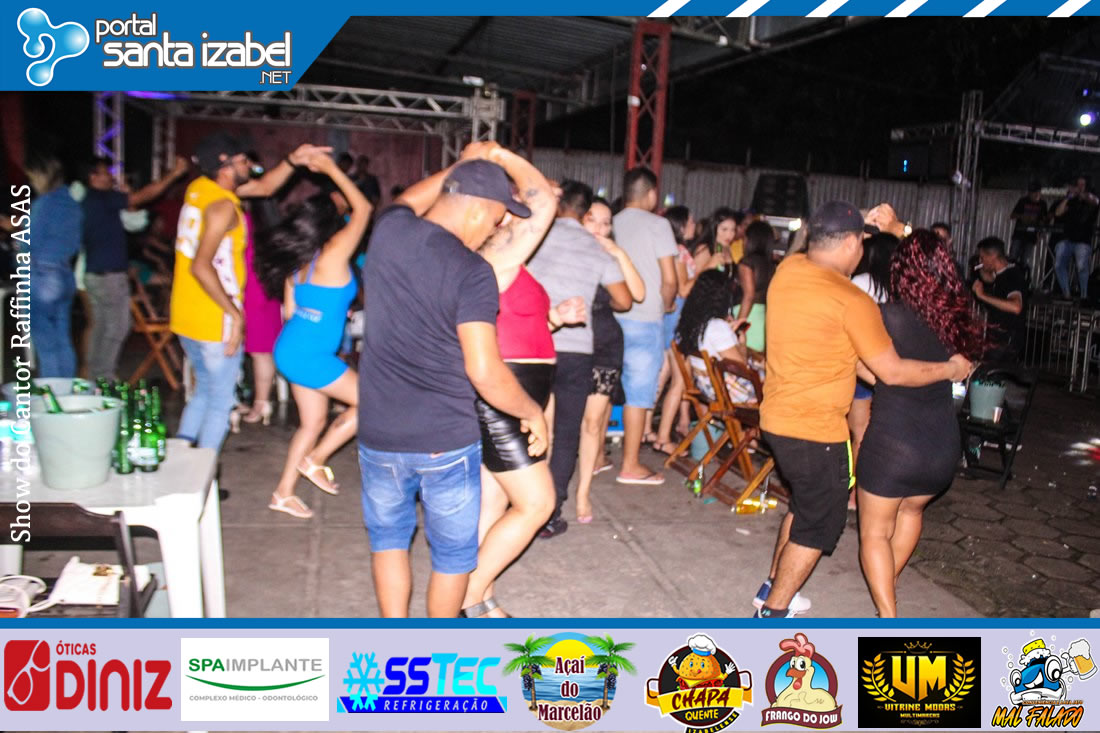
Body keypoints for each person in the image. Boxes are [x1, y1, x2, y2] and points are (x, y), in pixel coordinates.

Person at [753, 201, 973, 618]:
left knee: (804, 506)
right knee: (818, 525)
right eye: (861, 243)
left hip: (777, 420)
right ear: (852, 244)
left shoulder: (788, 271)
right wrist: (950, 369)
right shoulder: (852, 300)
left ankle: (772, 586)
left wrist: (865, 226)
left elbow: (866, 368)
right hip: (816, 432)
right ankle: (772, 613)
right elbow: (892, 371)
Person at [358, 145, 549, 618]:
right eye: (499, 218)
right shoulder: (471, 271)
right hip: (443, 439)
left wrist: (461, 167)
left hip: (379, 433)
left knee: (388, 543)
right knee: (452, 560)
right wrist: (531, 411)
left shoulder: (388, 231)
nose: (498, 229)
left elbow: (409, 198)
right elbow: (484, 370)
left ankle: (393, 647)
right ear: (479, 209)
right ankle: (438, 650)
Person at [170, 133, 329, 452]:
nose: (250, 166)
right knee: (221, 402)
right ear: (225, 166)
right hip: (214, 320)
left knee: (204, 392)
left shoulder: (200, 190)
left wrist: (292, 160)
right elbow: (201, 266)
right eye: (243, 161)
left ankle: (182, 458)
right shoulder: (223, 208)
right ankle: (204, 474)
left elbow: (266, 187)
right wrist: (235, 315)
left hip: (185, 315)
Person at [858, 230, 986, 617]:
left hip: (893, 442)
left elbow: (860, 367)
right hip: (941, 444)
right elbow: (964, 369)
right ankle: (887, 593)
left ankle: (888, 617)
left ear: (899, 270)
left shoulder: (885, 316)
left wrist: (888, 377)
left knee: (874, 532)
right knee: (912, 513)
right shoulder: (959, 322)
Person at [461, 148, 566, 616]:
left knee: (493, 501)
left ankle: (477, 596)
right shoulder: (494, 254)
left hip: (523, 388)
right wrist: (496, 153)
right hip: (505, 394)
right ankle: (465, 595)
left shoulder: (508, 261)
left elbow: (515, 323)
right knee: (538, 503)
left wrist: (555, 319)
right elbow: (542, 199)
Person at [254, 153, 372, 518]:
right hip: (309, 355)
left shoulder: (300, 263)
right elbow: (365, 208)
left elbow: (291, 313)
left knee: (313, 423)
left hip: (290, 348)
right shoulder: (334, 254)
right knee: (372, 402)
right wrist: (333, 170)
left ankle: (283, 493)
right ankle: (316, 459)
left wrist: (327, 314)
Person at [527, 182, 632, 537]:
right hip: (577, 350)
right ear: (585, 212)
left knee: (533, 426)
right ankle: (551, 511)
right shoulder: (594, 247)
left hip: (538, 341)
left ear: (559, 206)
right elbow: (624, 300)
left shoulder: (536, 236)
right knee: (567, 433)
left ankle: (524, 500)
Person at [82, 155, 191, 380]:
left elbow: (134, 216)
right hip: (108, 276)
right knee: (118, 326)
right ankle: (103, 376)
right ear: (93, 177)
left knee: (102, 326)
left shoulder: (90, 200)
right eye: (105, 173)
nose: (110, 177)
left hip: (96, 274)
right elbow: (143, 196)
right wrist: (173, 174)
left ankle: (93, 376)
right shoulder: (102, 198)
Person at [574, 198, 646, 524]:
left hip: (604, 345)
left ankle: (583, 494)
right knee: (556, 422)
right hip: (567, 342)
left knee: (592, 423)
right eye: (593, 220)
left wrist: (618, 252)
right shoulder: (562, 249)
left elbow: (638, 295)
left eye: (606, 223)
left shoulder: (609, 257)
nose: (599, 228)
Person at [612, 167, 678, 485]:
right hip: (645, 320)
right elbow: (670, 279)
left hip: (612, 316)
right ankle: (630, 464)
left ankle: (596, 458)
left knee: (604, 391)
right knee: (638, 395)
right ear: (651, 194)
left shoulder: (610, 222)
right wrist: (666, 305)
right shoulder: (658, 225)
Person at [232, 152, 285, 430]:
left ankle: (261, 403)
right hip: (265, 286)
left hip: (252, 288)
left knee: (259, 351)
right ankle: (257, 401)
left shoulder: (244, 220)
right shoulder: (268, 221)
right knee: (259, 350)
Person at [846, 232, 899, 512]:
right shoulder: (902, 289)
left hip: (861, 367)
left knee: (860, 433)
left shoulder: (861, 283)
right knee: (881, 434)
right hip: (891, 365)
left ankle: (855, 495)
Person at [25, 153, 81, 377]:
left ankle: (51, 393)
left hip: (42, 277)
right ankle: (66, 391)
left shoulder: (44, 203)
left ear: (42, 175)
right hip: (65, 275)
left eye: (32, 178)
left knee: (46, 344)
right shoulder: (73, 204)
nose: (31, 183)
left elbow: (29, 242)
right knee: (63, 339)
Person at [675, 270, 761, 404]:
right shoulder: (717, 327)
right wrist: (742, 342)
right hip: (731, 393)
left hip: (708, 389)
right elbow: (742, 368)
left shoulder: (692, 324)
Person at [652, 206, 698, 453]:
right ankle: (662, 437)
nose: (694, 225)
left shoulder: (671, 250)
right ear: (680, 226)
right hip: (678, 318)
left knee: (664, 374)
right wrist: (707, 267)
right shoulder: (679, 252)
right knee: (679, 380)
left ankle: (647, 428)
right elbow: (683, 289)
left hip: (671, 317)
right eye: (690, 221)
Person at [972, 237, 1026, 361]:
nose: (980, 261)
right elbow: (990, 279)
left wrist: (982, 295)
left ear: (992, 256)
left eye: (982, 257)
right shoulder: (1000, 275)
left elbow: (1016, 306)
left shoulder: (1012, 275)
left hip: (1007, 340)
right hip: (999, 339)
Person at [1052, 175, 1099, 300]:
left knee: (1081, 267)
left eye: (1082, 184)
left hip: (1083, 240)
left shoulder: (1091, 198)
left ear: (1087, 186)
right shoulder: (1072, 201)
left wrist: (1078, 192)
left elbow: (1095, 201)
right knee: (1058, 265)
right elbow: (1058, 213)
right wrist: (1067, 197)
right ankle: (1066, 294)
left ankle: (1084, 295)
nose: (1079, 187)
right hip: (1067, 238)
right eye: (1078, 184)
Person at [734, 220, 776, 353]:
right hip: (763, 319)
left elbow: (749, 296)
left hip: (747, 317)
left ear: (749, 240)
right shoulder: (772, 265)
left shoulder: (747, 263)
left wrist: (738, 328)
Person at [1009, 181, 1048, 269]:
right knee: (1013, 257)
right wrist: (1023, 216)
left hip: (1032, 236)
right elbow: (1012, 215)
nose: (1035, 195)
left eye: (1037, 192)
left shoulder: (1042, 204)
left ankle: (1021, 275)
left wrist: (1040, 233)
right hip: (1019, 233)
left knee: (1024, 260)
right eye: (1033, 193)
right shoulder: (1023, 201)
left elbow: (1044, 220)